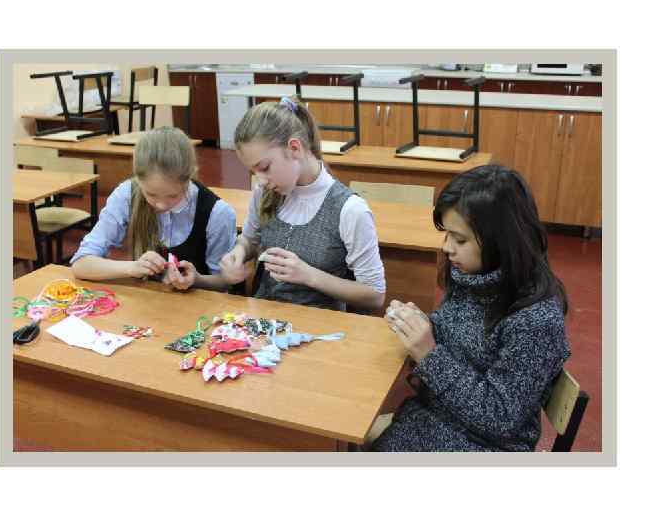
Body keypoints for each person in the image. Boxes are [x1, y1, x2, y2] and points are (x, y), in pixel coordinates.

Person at [371, 164, 571, 451]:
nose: (447, 247)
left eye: (460, 239)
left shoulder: (535, 321)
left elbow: (499, 418)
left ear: (500, 240)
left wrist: (428, 353)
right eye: (447, 235)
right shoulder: (474, 276)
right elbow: (460, 341)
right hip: (436, 420)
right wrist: (421, 325)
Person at [219, 96, 386, 312]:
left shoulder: (350, 210)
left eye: (265, 168)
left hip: (319, 325)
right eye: (254, 171)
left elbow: (375, 294)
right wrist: (239, 253)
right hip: (264, 320)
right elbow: (250, 239)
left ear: (295, 148)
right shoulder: (265, 193)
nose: (260, 180)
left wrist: (308, 275)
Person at [71, 127, 236, 291]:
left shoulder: (217, 213)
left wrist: (197, 280)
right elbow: (81, 264)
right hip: (146, 301)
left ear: (189, 178)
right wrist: (131, 267)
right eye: (151, 194)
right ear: (138, 180)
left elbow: (224, 282)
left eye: (173, 196)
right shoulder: (127, 195)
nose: (161, 205)